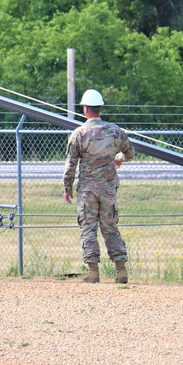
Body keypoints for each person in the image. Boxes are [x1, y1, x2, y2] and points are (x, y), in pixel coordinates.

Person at [62, 89, 135, 283]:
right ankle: (121, 271)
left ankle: (93, 272)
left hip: (87, 190)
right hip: (108, 189)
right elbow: (130, 153)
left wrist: (67, 188)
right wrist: (118, 157)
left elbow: (71, 165)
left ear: (85, 109)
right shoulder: (115, 131)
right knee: (110, 227)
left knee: (88, 228)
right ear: (100, 107)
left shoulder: (79, 134)